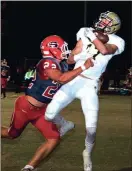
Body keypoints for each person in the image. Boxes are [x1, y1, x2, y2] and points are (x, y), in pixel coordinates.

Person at [45, 11, 125, 171]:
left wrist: (91, 35)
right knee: (49, 115)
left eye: (105, 21)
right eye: (101, 19)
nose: (101, 22)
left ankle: (87, 153)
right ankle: (66, 124)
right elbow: (70, 59)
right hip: (74, 79)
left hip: (90, 85)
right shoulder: (85, 32)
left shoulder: (118, 41)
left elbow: (104, 50)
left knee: (92, 129)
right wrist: (76, 54)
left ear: (112, 26)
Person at [1, 35, 94, 171]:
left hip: (41, 111)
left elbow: (73, 54)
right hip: (26, 107)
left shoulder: (60, 63)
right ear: (52, 49)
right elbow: (60, 78)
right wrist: (83, 67)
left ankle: (29, 168)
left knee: (54, 138)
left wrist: (87, 43)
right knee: (12, 134)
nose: (65, 50)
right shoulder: (47, 62)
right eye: (62, 48)